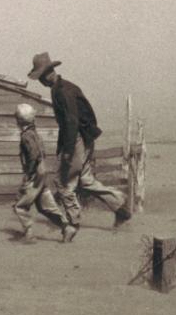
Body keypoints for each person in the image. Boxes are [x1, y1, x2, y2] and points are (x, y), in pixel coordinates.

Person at [27, 53, 133, 230]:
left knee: (63, 183)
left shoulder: (64, 91)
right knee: (85, 181)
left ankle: (73, 223)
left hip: (77, 138)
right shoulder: (60, 88)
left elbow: (71, 122)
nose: (41, 81)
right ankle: (120, 207)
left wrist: (67, 152)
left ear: (48, 73)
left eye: (41, 77)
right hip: (81, 138)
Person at [12, 103, 77, 243]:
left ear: (18, 120)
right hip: (42, 173)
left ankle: (29, 234)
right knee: (45, 206)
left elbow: (33, 155)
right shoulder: (35, 134)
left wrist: (28, 174)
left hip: (35, 174)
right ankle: (66, 227)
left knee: (20, 205)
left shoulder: (26, 136)